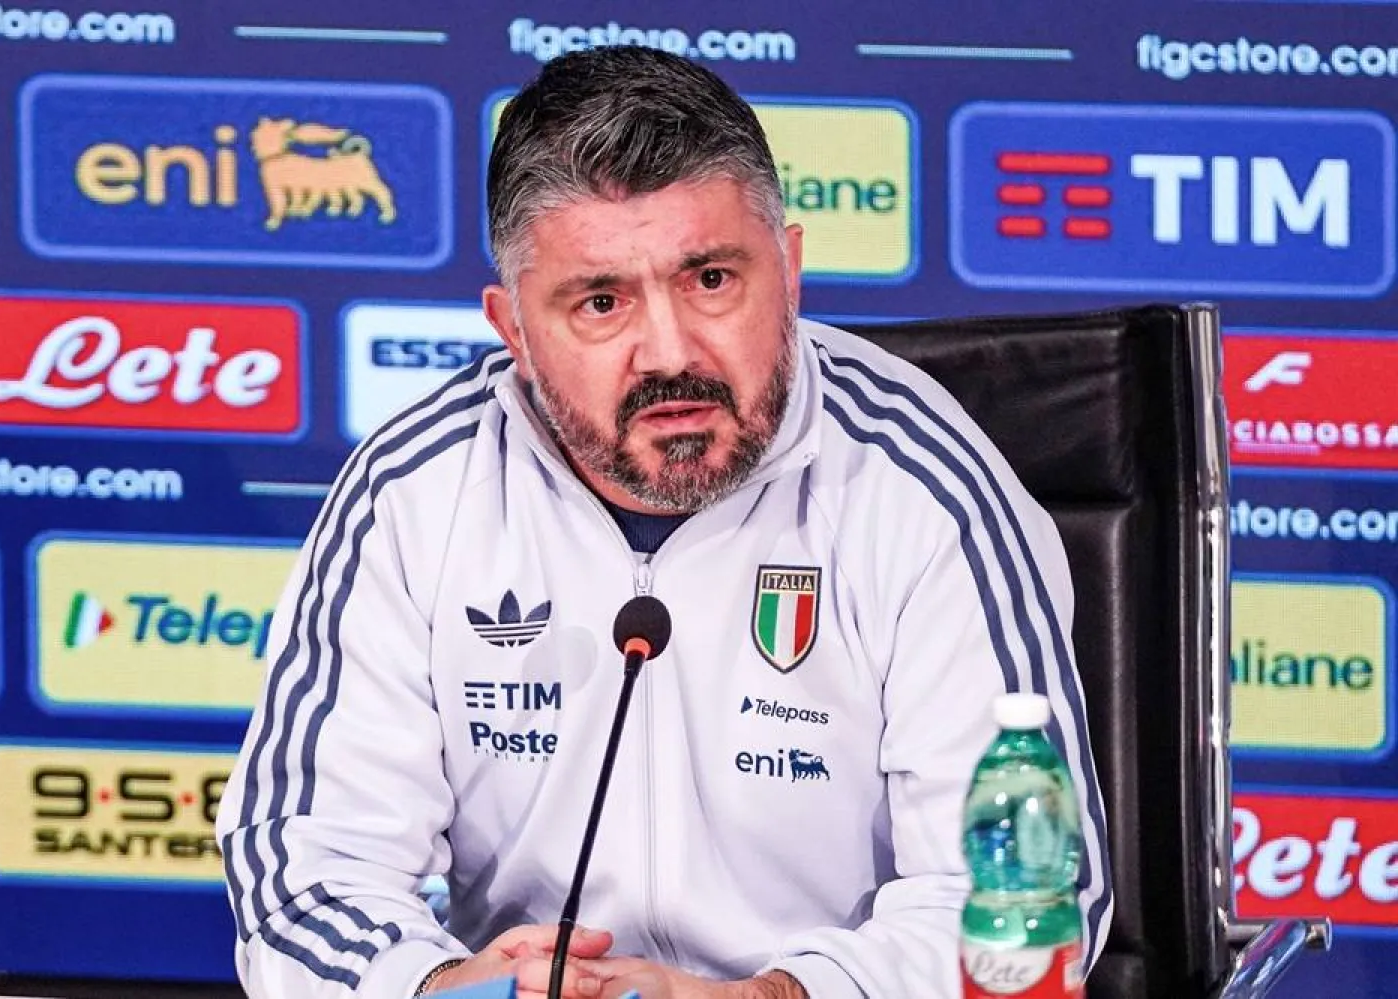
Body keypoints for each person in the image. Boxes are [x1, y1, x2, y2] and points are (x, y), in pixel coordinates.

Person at [217, 46, 1112, 999]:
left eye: (712, 279)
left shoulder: (920, 487)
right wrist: (438, 986)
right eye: (601, 302)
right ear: (512, 328)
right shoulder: (415, 494)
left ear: (792, 269)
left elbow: (1024, 903)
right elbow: (303, 868)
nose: (671, 351)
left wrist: (770, 997)